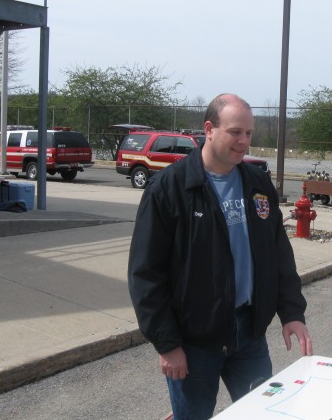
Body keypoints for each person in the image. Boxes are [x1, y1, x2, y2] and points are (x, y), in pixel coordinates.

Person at [128, 93, 313, 420]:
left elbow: (277, 254)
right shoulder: (169, 189)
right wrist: (167, 344)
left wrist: (292, 312)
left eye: (249, 134)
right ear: (209, 129)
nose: (244, 141)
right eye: (235, 132)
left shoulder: (257, 183)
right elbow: (146, 274)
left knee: (264, 414)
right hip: (195, 342)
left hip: (249, 335)